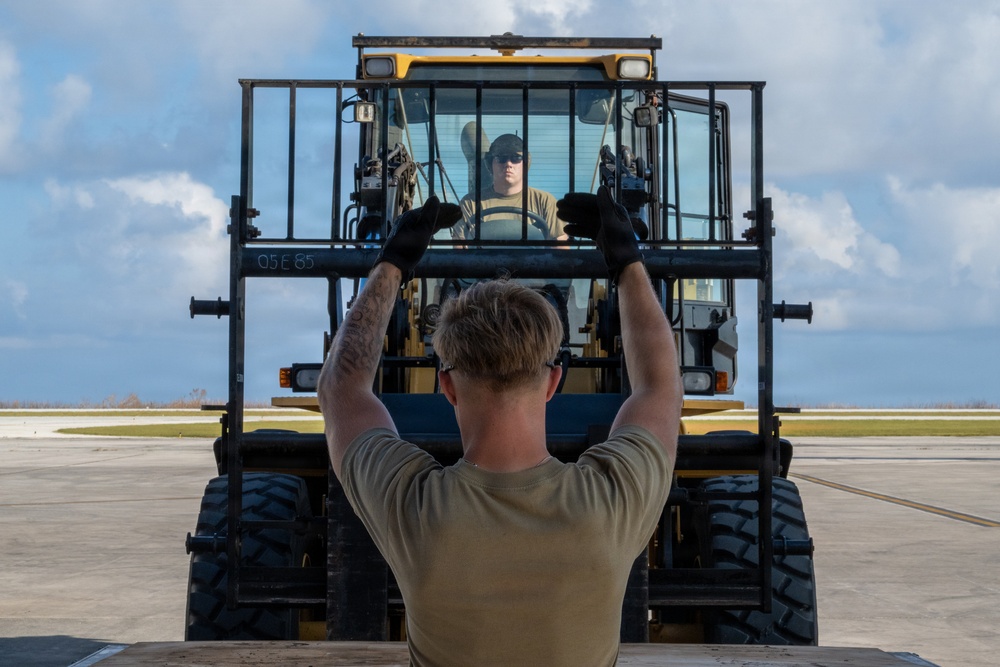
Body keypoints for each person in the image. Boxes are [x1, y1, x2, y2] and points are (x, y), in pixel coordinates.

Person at [318, 187, 682, 666]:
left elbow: (341, 389)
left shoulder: (411, 507)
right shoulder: (612, 502)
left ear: (447, 386)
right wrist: (628, 264)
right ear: (554, 381)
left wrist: (391, 265)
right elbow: (660, 388)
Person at [455, 133, 568, 241]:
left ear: (525, 164)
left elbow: (560, 251)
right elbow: (460, 251)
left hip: (534, 261)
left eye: (516, 158)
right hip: (482, 262)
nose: (508, 164)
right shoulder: (470, 203)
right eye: (501, 158)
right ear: (490, 164)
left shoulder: (545, 201)